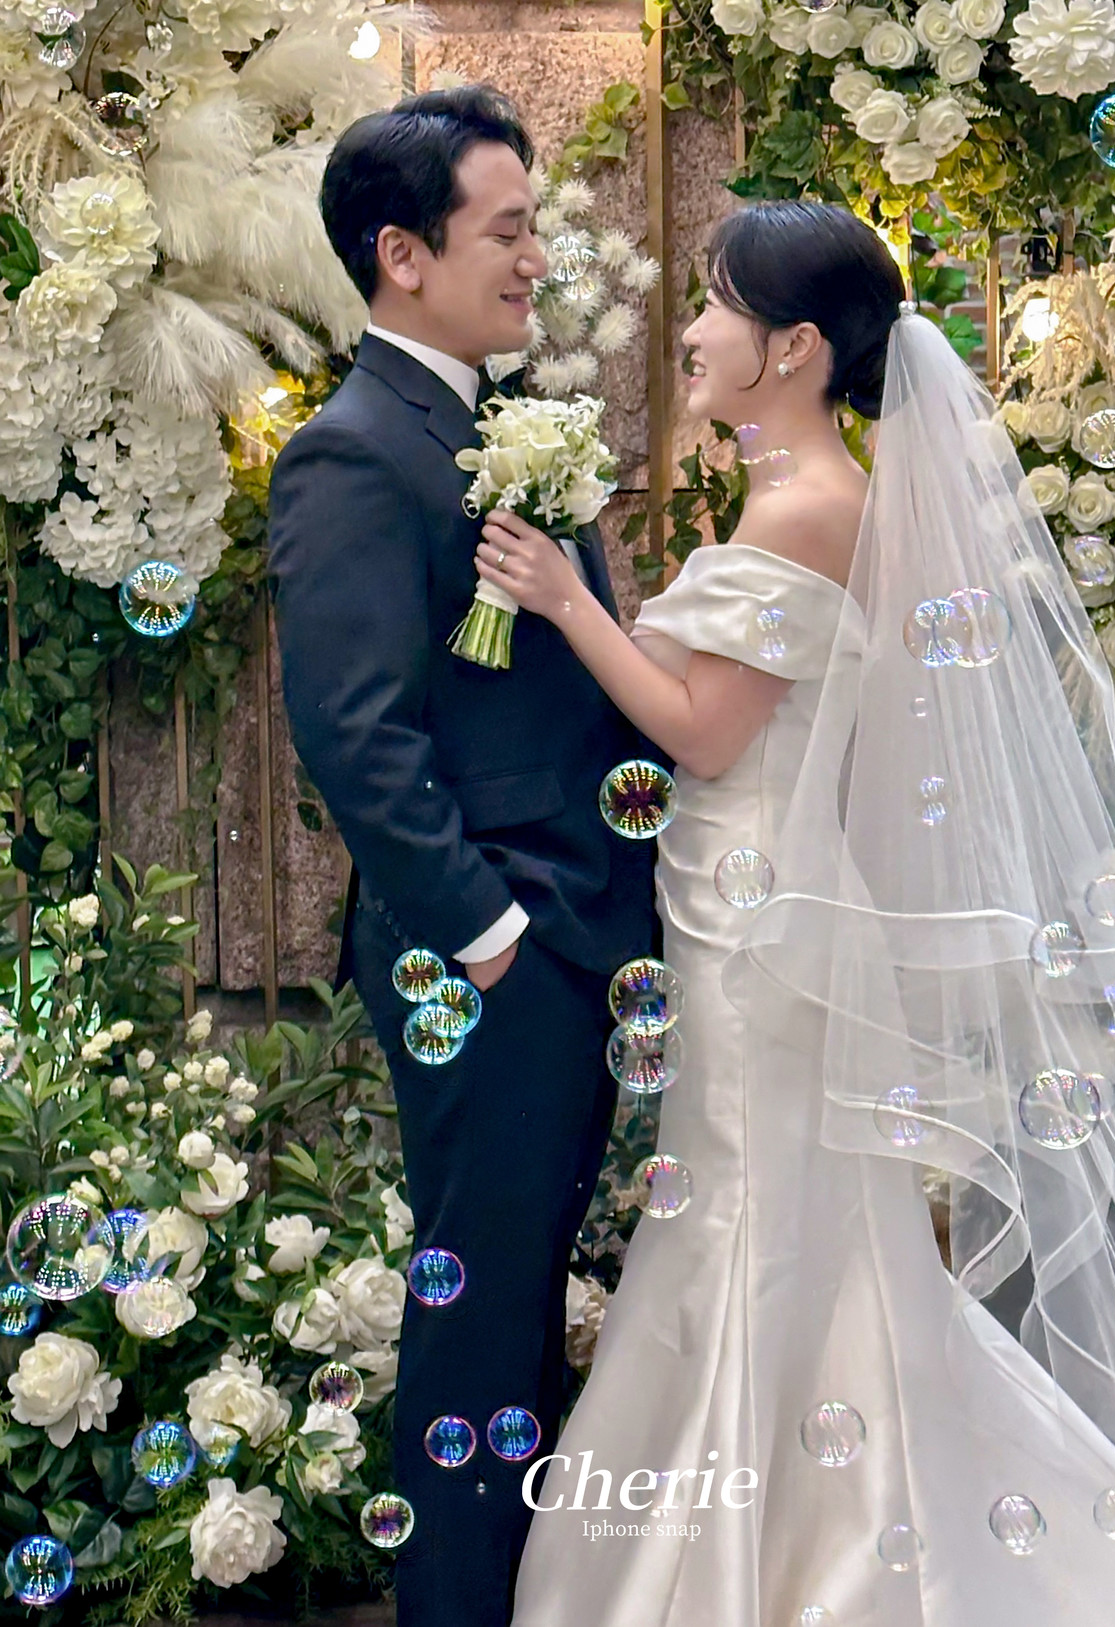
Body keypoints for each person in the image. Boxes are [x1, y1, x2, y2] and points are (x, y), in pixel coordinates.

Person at [477, 199, 1115, 1625]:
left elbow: (706, 733)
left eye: (716, 307)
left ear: (792, 347)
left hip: (758, 926)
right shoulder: (813, 490)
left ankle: (758, 1563)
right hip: (750, 907)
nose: (692, 333)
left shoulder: (804, 506)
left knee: (752, 1219)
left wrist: (566, 598)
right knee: (798, 1229)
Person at [267, 85, 655, 1627]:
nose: (537, 258)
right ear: (403, 252)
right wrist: (491, 938)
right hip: (491, 952)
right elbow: (355, 734)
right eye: (508, 229)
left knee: (515, 1297)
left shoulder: (492, 426)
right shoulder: (355, 453)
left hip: (569, 927)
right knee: (481, 1320)